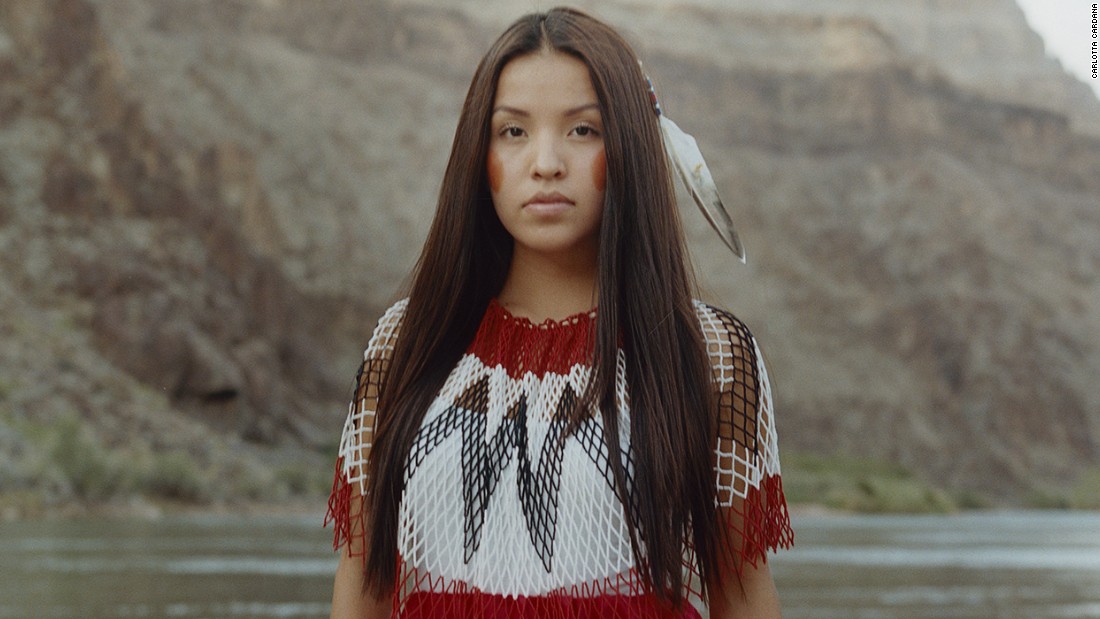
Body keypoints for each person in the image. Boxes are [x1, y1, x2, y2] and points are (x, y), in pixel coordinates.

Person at [325, 7, 793, 618]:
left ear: (628, 147)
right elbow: (363, 584)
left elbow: (742, 595)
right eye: (513, 132)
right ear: (478, 151)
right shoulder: (406, 342)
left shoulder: (707, 351)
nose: (545, 162)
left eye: (583, 131)